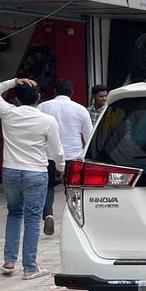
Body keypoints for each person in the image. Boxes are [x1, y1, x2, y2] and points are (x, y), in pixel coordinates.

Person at [0, 77, 64, 280]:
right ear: (39, 97)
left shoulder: (8, 113)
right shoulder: (47, 120)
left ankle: (9, 261)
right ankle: (29, 267)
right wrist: (61, 168)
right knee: (32, 218)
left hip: (10, 171)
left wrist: (13, 81)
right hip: (35, 173)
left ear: (17, 99)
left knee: (14, 214)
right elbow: (57, 151)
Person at [38, 79, 93, 235]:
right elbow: (88, 136)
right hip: (73, 156)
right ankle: (74, 221)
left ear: (54, 92)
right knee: (73, 189)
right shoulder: (81, 110)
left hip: (48, 155)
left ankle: (48, 214)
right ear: (72, 92)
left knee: (48, 187)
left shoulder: (43, 107)